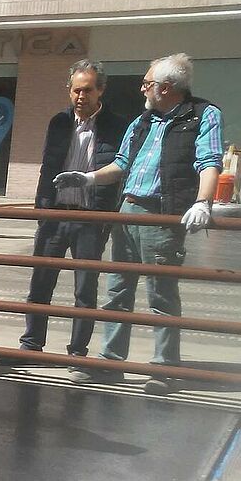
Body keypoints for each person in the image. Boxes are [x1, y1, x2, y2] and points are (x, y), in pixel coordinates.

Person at [54, 52, 223, 395]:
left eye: (147, 83)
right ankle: (111, 362)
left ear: (166, 87)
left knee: (161, 292)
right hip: (127, 209)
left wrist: (203, 201)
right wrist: (87, 178)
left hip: (160, 214)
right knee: (117, 289)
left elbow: (209, 160)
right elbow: (121, 164)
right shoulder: (143, 121)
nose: (142, 89)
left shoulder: (202, 115)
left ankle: (164, 367)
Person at [6, 60, 127, 369]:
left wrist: (107, 216)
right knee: (40, 283)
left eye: (87, 90)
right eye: (75, 90)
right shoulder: (59, 122)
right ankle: (31, 345)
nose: (80, 96)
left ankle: (77, 353)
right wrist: (42, 209)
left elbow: (120, 170)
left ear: (101, 90)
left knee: (84, 289)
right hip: (55, 214)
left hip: (91, 218)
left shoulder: (116, 126)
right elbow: (48, 167)